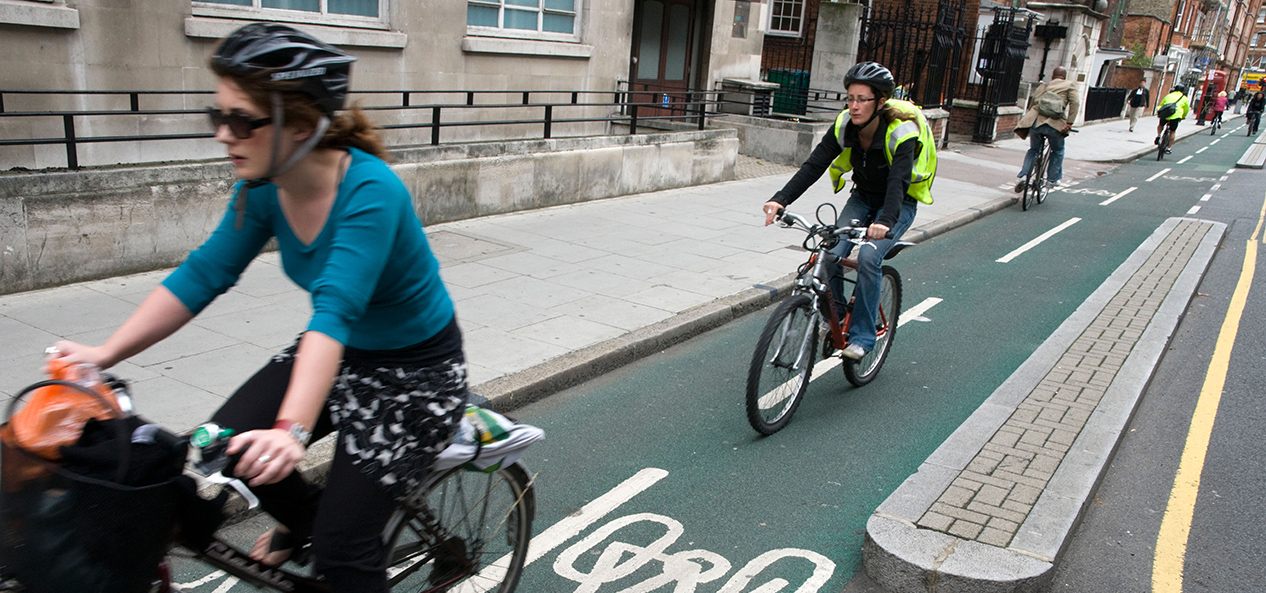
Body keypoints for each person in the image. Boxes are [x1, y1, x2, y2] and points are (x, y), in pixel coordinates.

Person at [46, 23, 468, 592]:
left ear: (300, 125)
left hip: (413, 375)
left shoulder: (372, 191)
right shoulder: (262, 187)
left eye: (241, 120)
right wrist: (103, 352)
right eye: (216, 117)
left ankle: (338, 545)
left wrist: (291, 432)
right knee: (220, 445)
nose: (224, 134)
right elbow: (205, 273)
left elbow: (333, 313)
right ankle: (310, 524)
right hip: (341, 353)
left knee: (344, 556)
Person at [761, 62, 936, 361]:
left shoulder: (902, 133)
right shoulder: (845, 125)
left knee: (868, 256)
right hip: (863, 197)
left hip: (898, 204)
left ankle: (863, 337)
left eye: (862, 100)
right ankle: (838, 317)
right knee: (828, 252)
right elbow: (814, 165)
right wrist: (781, 199)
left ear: (880, 102)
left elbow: (898, 183)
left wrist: (884, 221)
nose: (854, 106)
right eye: (850, 98)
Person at [1013, 66, 1079, 192]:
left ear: (1052, 77)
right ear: (1064, 77)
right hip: (1055, 125)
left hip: (1036, 124)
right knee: (1058, 150)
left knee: (1033, 150)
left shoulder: (1044, 86)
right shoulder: (1069, 86)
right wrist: (1069, 123)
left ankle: (1024, 176)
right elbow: (1075, 104)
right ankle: (1052, 179)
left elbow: (1033, 103)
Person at [1155, 84, 1191, 151]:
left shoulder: (1169, 95)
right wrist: (1183, 117)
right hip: (1176, 116)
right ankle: (1169, 148)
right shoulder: (1184, 98)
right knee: (1172, 131)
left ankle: (1159, 135)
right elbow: (1186, 109)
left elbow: (1161, 105)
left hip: (1166, 114)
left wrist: (1158, 113)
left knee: (1161, 125)